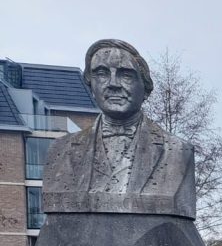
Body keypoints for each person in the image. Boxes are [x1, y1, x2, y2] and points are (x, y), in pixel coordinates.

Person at [44, 38, 195, 216]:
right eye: (101, 73)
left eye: (125, 75)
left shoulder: (178, 151)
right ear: (91, 84)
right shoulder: (60, 151)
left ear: (145, 88)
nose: (113, 84)